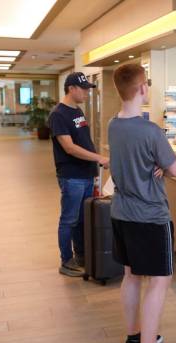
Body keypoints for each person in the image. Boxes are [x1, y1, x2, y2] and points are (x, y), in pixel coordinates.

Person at [108, 64, 176, 343]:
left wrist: (157, 162)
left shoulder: (114, 125)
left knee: (130, 275)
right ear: (142, 89)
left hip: (122, 213)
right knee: (160, 279)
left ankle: (134, 337)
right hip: (151, 216)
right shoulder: (150, 131)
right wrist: (162, 164)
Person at [49, 72, 108, 277]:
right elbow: (70, 148)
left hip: (84, 174)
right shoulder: (59, 114)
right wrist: (98, 157)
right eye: (83, 89)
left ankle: (80, 256)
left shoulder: (78, 111)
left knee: (82, 219)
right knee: (69, 219)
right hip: (71, 175)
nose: (86, 93)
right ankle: (66, 261)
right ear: (71, 88)